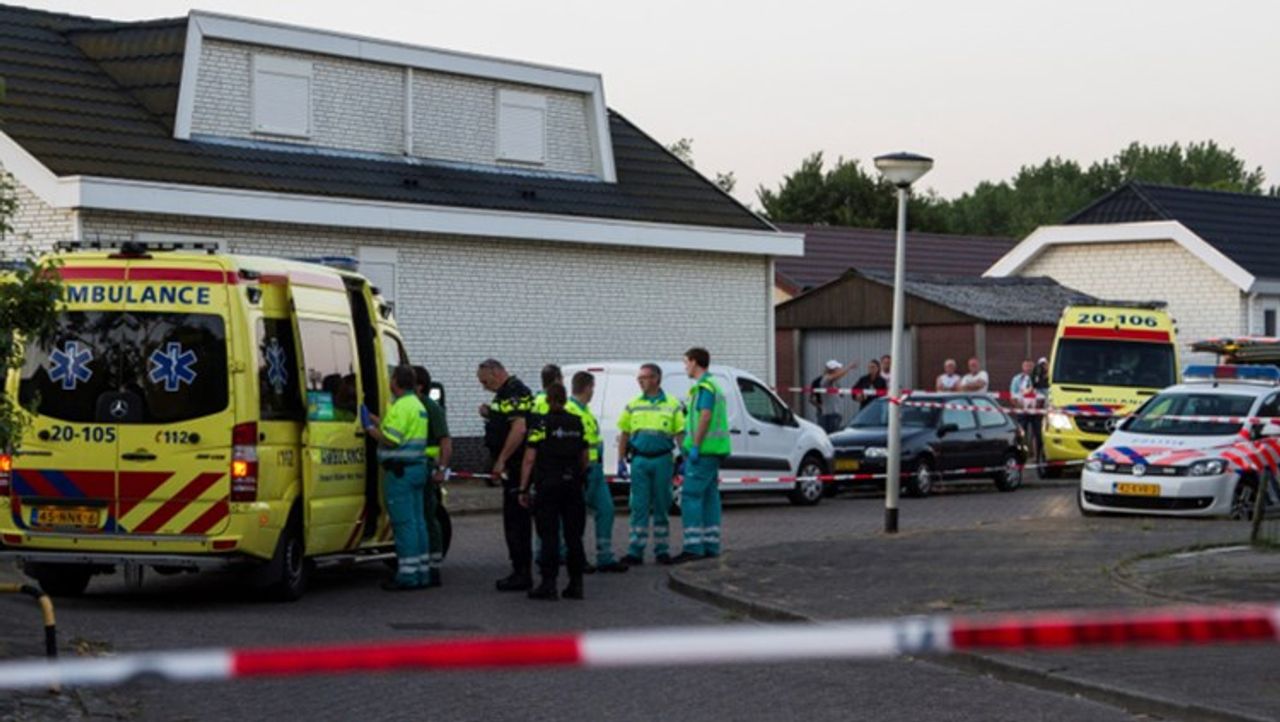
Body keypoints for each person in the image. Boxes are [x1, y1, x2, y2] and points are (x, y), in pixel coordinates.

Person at [518, 383, 589, 600]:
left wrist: (523, 488)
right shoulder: (577, 422)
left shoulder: (541, 423)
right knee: (573, 536)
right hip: (572, 486)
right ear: (566, 399)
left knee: (549, 535)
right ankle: (576, 584)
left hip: (548, 485)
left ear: (548, 400)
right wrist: (578, 475)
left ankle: (548, 584)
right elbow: (584, 456)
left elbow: (530, 458)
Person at [364, 365, 429, 591]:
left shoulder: (402, 406)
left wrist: (370, 429)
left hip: (399, 472)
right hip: (416, 470)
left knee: (403, 525)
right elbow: (401, 430)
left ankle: (407, 576)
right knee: (418, 522)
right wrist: (378, 420)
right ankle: (421, 572)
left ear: (396, 382)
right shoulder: (417, 405)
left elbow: (391, 439)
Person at [616, 363, 685, 566]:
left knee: (662, 505)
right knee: (638, 507)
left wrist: (685, 458)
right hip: (639, 461)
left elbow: (680, 434)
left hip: (663, 460)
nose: (640, 381)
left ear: (656, 379)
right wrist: (620, 460)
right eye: (639, 378)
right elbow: (624, 434)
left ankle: (662, 550)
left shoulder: (672, 404)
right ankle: (635, 551)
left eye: (644, 378)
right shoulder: (633, 404)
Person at [477, 358, 535, 591]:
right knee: (514, 520)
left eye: (484, 380)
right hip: (514, 465)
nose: (483, 386)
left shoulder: (514, 391)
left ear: (496, 373)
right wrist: (490, 414)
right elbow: (507, 421)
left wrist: (501, 460)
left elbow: (519, 428)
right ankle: (520, 569)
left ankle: (522, 573)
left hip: (516, 466)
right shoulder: (506, 393)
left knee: (516, 521)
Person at [566, 371, 628, 573]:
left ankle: (605, 556)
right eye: (593, 388)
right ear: (588, 388)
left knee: (606, 510)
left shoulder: (584, 411)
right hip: (581, 471)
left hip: (595, 470)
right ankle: (576, 556)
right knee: (576, 516)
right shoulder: (572, 411)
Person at [672, 348, 731, 564]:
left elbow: (705, 416)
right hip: (713, 451)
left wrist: (694, 445)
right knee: (709, 496)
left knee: (690, 496)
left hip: (704, 451)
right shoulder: (713, 385)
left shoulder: (704, 387)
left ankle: (693, 546)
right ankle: (710, 544)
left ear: (695, 362)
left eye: (686, 362)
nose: (685, 367)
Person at [413, 365, 451, 588]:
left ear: (419, 386)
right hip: (415, 469)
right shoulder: (411, 406)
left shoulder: (431, 408)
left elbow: (445, 441)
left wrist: (441, 470)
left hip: (428, 470)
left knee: (429, 516)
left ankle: (433, 566)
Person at [810, 359, 855, 433]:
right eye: (838, 369)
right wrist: (849, 368)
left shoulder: (834, 382)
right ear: (833, 370)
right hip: (829, 415)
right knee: (831, 436)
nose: (839, 370)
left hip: (835, 414)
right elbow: (835, 377)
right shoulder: (826, 379)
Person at [1009, 359, 1041, 462]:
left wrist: (1038, 407)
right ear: (1022, 367)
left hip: (1036, 410)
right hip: (1022, 410)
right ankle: (1022, 457)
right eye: (1026, 366)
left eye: (1030, 366)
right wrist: (1019, 407)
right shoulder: (1016, 379)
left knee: (1038, 434)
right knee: (1022, 435)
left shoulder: (1038, 379)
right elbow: (1012, 396)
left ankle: (1038, 457)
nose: (1028, 368)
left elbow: (1043, 394)